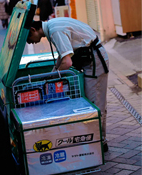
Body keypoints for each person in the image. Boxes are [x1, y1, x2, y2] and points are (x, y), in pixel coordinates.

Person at [27, 18, 109, 152]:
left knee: (96, 102)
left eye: (29, 39)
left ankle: (100, 142)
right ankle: (96, 139)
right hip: (89, 60)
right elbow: (64, 54)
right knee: (93, 101)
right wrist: (52, 75)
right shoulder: (52, 26)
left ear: (33, 30)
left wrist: (53, 77)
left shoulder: (54, 31)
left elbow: (67, 62)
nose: (30, 43)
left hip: (95, 61)